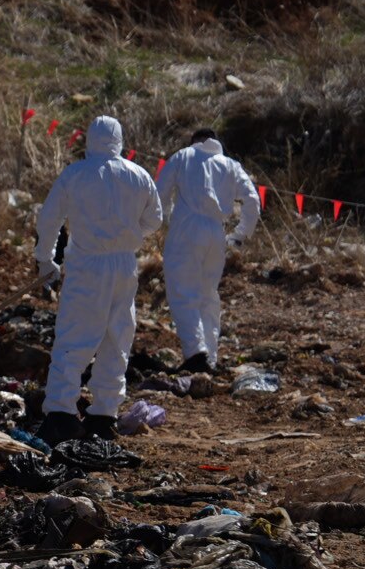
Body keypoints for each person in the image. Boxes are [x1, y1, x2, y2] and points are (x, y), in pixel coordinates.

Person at [35, 116, 163, 445]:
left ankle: (61, 413)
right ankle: (104, 415)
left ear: (89, 140)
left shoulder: (75, 174)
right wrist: (126, 234)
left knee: (74, 337)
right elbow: (155, 219)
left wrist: (45, 258)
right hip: (124, 264)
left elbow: (49, 218)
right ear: (119, 140)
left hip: (87, 263)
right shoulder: (139, 175)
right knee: (116, 338)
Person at [161, 129, 260, 373]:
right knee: (208, 296)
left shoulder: (183, 156)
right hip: (217, 232)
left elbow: (159, 193)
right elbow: (252, 201)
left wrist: (165, 220)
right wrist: (240, 234)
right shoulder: (231, 165)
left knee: (183, 292)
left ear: (194, 142)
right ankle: (210, 357)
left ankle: (196, 353)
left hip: (185, 229)